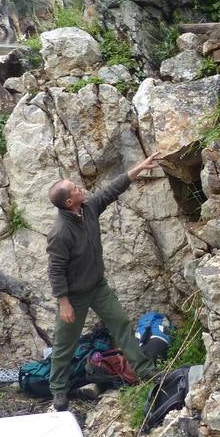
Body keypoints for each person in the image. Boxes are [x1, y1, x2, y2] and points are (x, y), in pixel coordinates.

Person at [46, 150, 163, 411]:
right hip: (74, 296)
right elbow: (55, 270)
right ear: (68, 202)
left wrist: (139, 168)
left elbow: (112, 190)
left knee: (120, 323)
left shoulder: (88, 210)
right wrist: (64, 303)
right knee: (65, 344)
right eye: (74, 189)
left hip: (98, 287)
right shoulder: (60, 233)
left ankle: (145, 371)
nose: (79, 188)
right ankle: (58, 391)